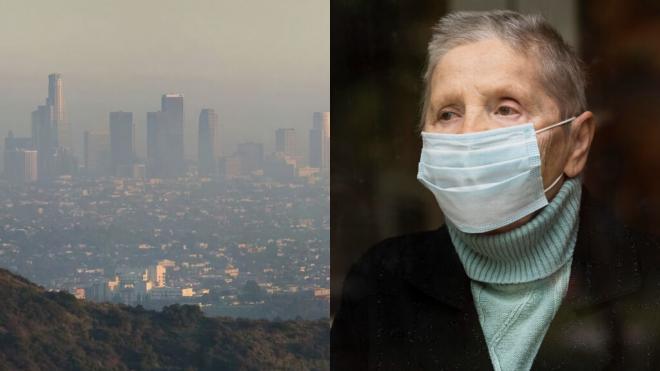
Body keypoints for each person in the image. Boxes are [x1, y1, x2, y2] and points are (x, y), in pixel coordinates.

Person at [331, 10, 660, 370]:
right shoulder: (381, 284)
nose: (471, 134)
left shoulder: (648, 284)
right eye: (447, 114)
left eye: (506, 109)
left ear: (577, 143)